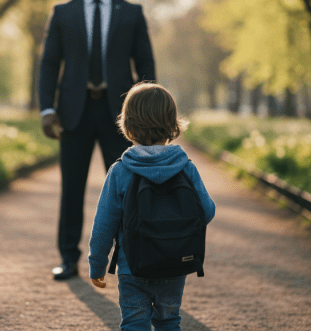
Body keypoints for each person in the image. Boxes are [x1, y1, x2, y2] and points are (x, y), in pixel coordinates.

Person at [38, 0, 156, 280]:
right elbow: (49, 63)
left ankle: (129, 258)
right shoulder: (63, 12)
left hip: (120, 116)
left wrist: (146, 110)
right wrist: (47, 109)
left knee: (126, 189)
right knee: (71, 188)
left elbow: (145, 62)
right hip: (73, 113)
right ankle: (68, 258)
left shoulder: (131, 13)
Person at [88, 82, 216, 330]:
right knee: (169, 321)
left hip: (132, 266)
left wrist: (97, 265)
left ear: (128, 124)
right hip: (175, 262)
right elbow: (207, 211)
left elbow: (104, 224)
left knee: (135, 322)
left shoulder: (121, 170)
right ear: (172, 123)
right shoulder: (185, 167)